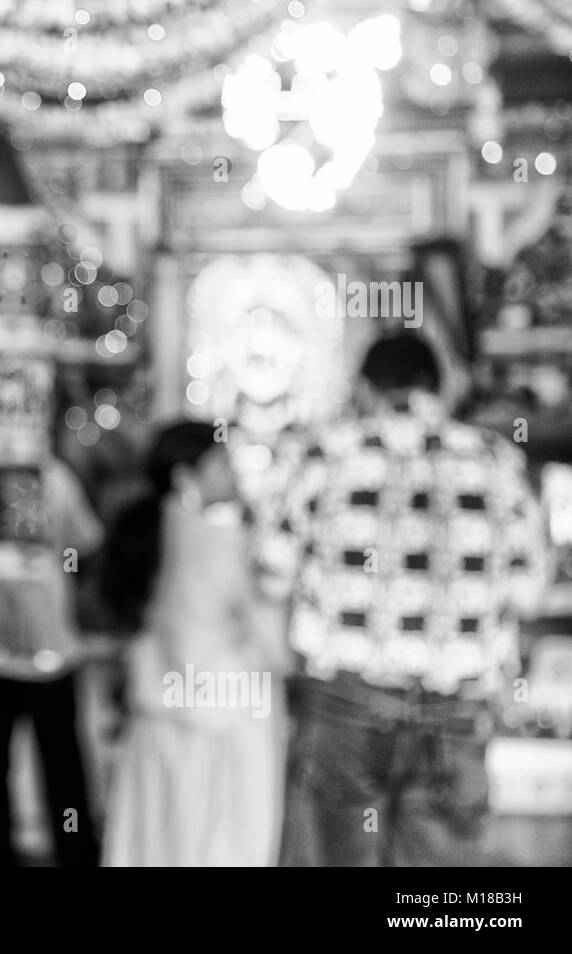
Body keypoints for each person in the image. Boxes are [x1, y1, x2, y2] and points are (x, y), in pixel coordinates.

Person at [256, 332, 548, 866]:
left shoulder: (320, 454)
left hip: (346, 700)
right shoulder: (497, 459)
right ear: (441, 386)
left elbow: (272, 575)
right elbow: (529, 594)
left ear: (365, 389)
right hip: (458, 706)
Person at [100, 421, 288, 867]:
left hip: (155, 722)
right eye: (221, 464)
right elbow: (275, 644)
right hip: (224, 726)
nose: (234, 475)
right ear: (185, 475)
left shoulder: (138, 533)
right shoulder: (222, 542)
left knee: (153, 843)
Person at [0, 454, 103, 866]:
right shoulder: (53, 474)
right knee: (62, 762)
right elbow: (86, 540)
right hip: (51, 647)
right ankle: (75, 852)